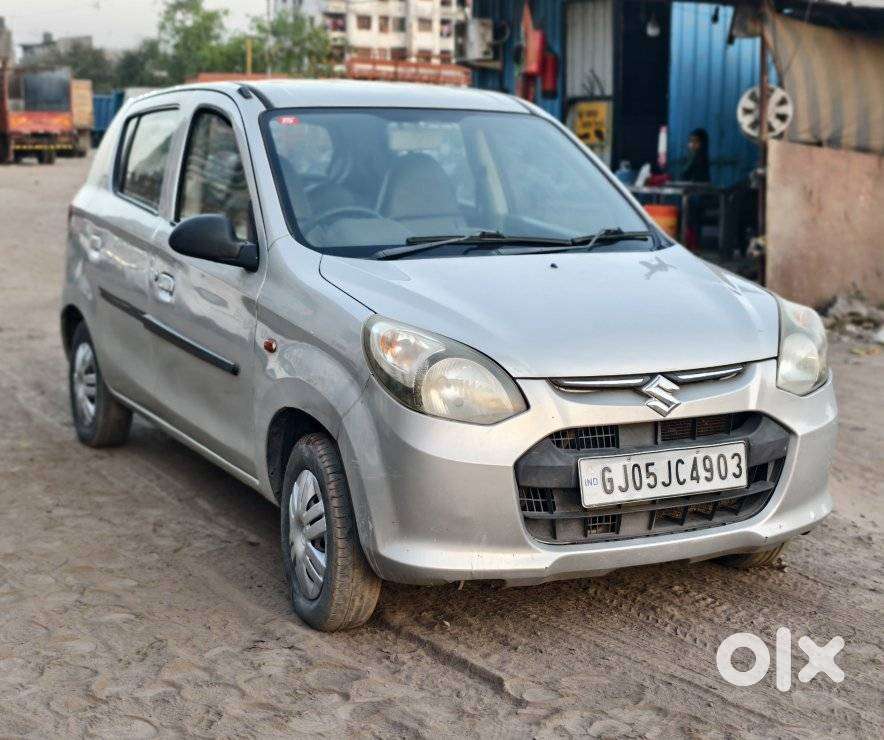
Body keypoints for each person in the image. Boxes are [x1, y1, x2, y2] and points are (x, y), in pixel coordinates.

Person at [680, 128, 711, 251]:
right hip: (697, 193)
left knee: (693, 219)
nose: (691, 144)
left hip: (697, 194)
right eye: (691, 141)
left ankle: (693, 245)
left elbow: (685, 173)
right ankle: (694, 245)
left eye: (695, 141)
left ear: (701, 143)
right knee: (694, 220)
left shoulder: (696, 156)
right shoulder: (701, 155)